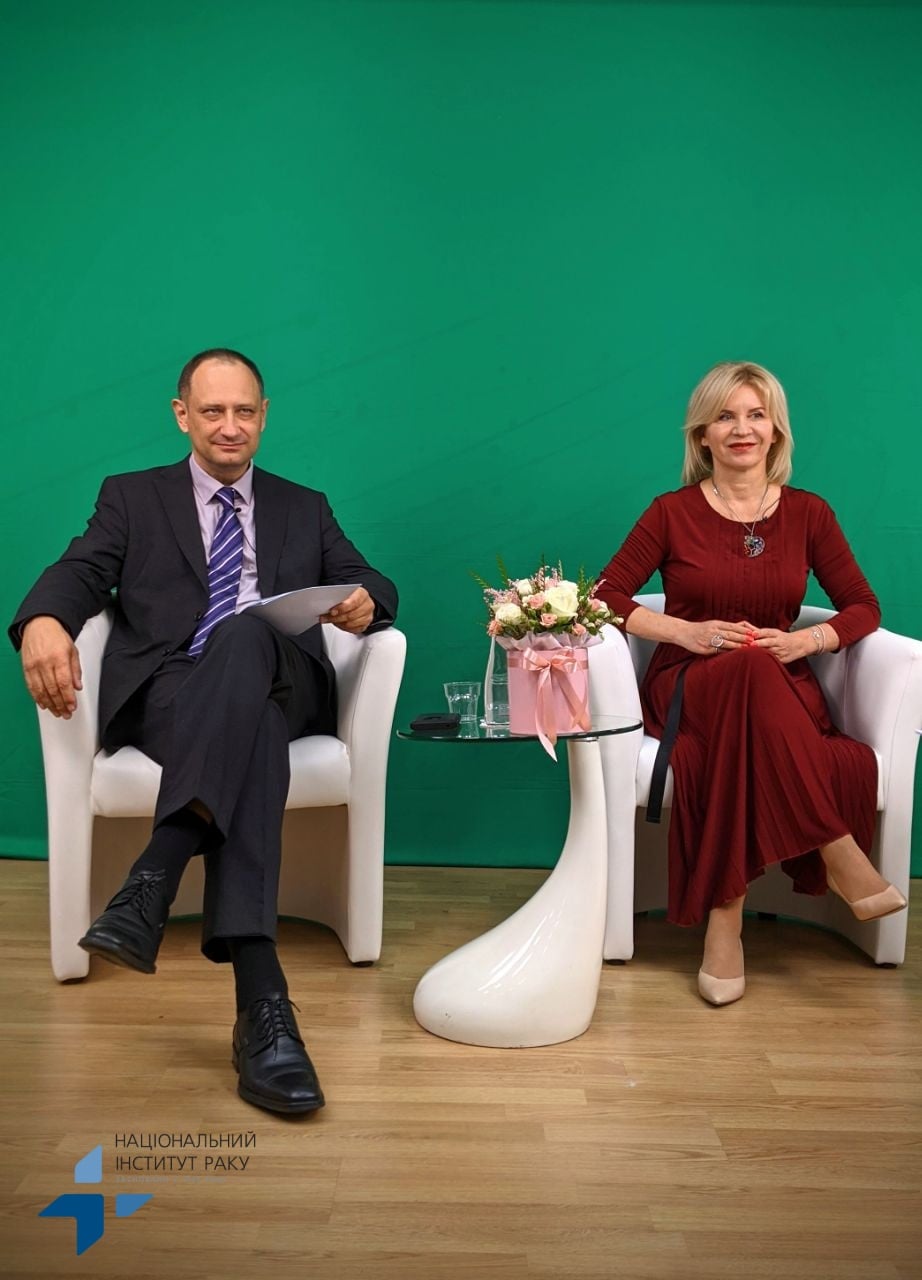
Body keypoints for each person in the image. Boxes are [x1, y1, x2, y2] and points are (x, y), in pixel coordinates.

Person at [10, 348, 398, 1112]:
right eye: (213, 411)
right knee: (252, 727)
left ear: (264, 416)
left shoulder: (304, 505)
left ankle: (155, 873)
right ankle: (263, 1007)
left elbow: (373, 581)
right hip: (172, 691)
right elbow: (79, 570)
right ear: (182, 414)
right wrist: (44, 620)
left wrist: (366, 602)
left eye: (244, 411)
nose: (229, 425)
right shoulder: (132, 497)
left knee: (248, 633)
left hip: (285, 677)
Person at [596, 360, 905, 1007]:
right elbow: (605, 596)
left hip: (779, 688)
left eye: (756, 415)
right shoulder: (671, 512)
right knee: (744, 668)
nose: (742, 429)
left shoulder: (810, 513)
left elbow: (863, 606)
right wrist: (685, 632)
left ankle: (725, 922)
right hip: (689, 686)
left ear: (776, 431)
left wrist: (805, 641)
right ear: (703, 435)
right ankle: (837, 848)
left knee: (754, 684)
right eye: (726, 417)